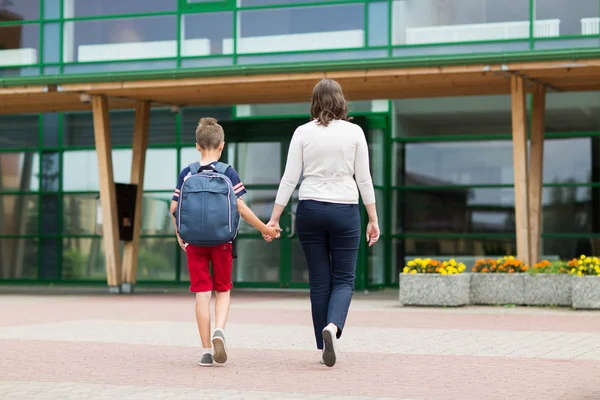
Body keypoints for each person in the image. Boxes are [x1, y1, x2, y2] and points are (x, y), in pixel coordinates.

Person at [264, 78, 380, 367]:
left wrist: (274, 217)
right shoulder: (354, 132)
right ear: (340, 100)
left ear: (314, 102)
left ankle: (321, 342)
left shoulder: (303, 133)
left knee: (319, 279)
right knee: (343, 279)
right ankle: (333, 327)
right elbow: (364, 179)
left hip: (310, 208)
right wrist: (373, 218)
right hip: (345, 210)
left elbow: (289, 178)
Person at [171, 117, 281, 367]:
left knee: (201, 293)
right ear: (221, 145)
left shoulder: (187, 173)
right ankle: (219, 330)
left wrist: (181, 235)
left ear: (197, 146)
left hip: (194, 243)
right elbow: (240, 206)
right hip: (222, 241)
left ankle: (206, 351)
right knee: (223, 289)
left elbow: (174, 208)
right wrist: (266, 229)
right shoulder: (227, 172)